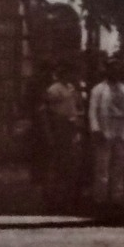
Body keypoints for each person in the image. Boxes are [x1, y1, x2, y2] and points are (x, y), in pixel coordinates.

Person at [88, 58, 124, 205]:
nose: (115, 72)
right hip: (104, 131)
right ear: (107, 70)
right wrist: (96, 129)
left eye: (118, 69)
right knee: (102, 166)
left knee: (119, 165)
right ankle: (100, 198)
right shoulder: (98, 89)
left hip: (120, 131)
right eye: (112, 69)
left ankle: (117, 197)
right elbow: (93, 111)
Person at [44, 67, 82, 207]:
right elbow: (49, 110)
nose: (70, 75)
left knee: (71, 159)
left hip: (71, 124)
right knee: (59, 160)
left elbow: (76, 103)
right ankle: (54, 195)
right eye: (67, 73)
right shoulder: (54, 89)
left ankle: (68, 194)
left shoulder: (70, 87)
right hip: (60, 124)